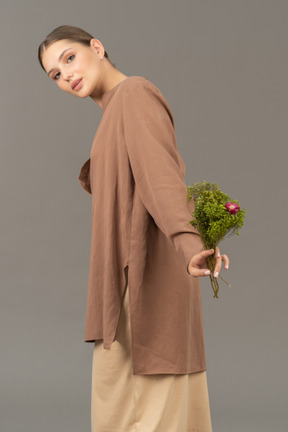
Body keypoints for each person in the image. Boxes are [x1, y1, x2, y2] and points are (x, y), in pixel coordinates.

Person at [38, 25, 230, 432]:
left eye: (69, 58)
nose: (65, 75)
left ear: (97, 47)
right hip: (124, 281)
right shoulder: (113, 110)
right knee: (125, 404)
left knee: (149, 405)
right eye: (54, 74)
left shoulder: (135, 94)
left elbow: (161, 179)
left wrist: (187, 241)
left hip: (144, 279)